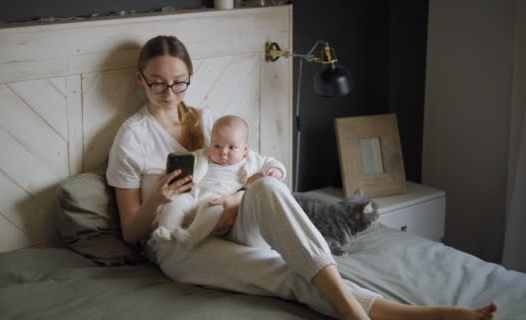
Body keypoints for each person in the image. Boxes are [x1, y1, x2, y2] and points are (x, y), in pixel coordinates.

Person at [106, 35, 498, 320]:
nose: (169, 91)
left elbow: (243, 171)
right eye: (158, 82)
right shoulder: (132, 136)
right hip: (180, 242)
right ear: (141, 79)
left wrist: (238, 199)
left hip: (229, 218)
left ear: (190, 77)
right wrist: (157, 199)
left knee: (270, 186)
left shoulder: (210, 122)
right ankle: (415, 316)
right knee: (286, 274)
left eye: (179, 81)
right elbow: (129, 232)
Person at [151, 115, 286, 249]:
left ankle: (191, 236)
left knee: (215, 207)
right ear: (210, 144)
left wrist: (276, 169)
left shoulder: (251, 159)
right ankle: (166, 232)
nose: (223, 152)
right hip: (194, 195)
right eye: (216, 146)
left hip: (218, 199)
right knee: (176, 202)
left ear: (245, 150)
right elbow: (185, 166)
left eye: (232, 147)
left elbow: (268, 162)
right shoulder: (201, 155)